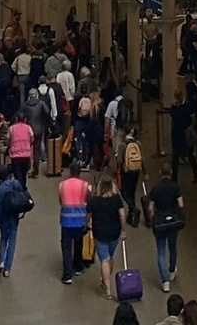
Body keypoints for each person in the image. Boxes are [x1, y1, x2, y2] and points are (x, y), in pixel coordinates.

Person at [146, 160, 185, 293]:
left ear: (160, 173)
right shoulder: (175, 186)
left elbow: (150, 207)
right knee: (172, 247)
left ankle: (165, 282)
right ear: (171, 172)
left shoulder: (156, 188)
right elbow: (181, 205)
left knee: (161, 251)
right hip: (173, 221)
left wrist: (152, 219)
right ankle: (172, 270)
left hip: (160, 222)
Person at [88, 173, 126, 301]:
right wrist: (123, 230)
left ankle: (108, 289)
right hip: (114, 232)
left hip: (100, 233)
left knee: (104, 259)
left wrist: (85, 225)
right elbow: (122, 215)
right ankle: (105, 279)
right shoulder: (116, 198)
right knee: (110, 257)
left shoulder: (94, 200)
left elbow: (88, 215)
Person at [0, 162, 30, 278]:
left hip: (2, 218)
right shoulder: (15, 184)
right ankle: (7, 269)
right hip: (13, 216)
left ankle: (1, 261)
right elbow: (21, 195)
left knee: (3, 238)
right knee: (12, 241)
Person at [59, 160, 92, 285]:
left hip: (66, 221)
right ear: (79, 173)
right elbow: (89, 201)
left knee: (66, 248)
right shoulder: (85, 185)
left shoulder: (62, 185)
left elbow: (61, 201)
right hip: (80, 221)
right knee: (78, 245)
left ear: (70, 172)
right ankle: (78, 266)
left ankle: (67, 275)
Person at [170, 93, 197, 184]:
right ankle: (174, 178)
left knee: (189, 154)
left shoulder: (187, 106)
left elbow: (191, 119)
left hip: (184, 135)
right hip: (176, 135)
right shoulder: (174, 107)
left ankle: (196, 173)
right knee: (175, 158)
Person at [119, 126, 144, 226]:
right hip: (136, 170)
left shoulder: (122, 145)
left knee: (124, 191)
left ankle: (133, 208)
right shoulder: (138, 143)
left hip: (126, 171)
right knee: (132, 192)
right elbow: (143, 158)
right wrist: (145, 172)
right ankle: (131, 217)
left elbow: (119, 161)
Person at [7, 113, 33, 186]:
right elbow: (32, 138)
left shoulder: (12, 128)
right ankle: (24, 189)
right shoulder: (28, 128)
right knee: (24, 174)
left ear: (16, 119)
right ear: (25, 119)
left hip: (15, 156)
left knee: (18, 176)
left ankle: (19, 190)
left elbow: (8, 140)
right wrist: (28, 145)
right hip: (26, 156)